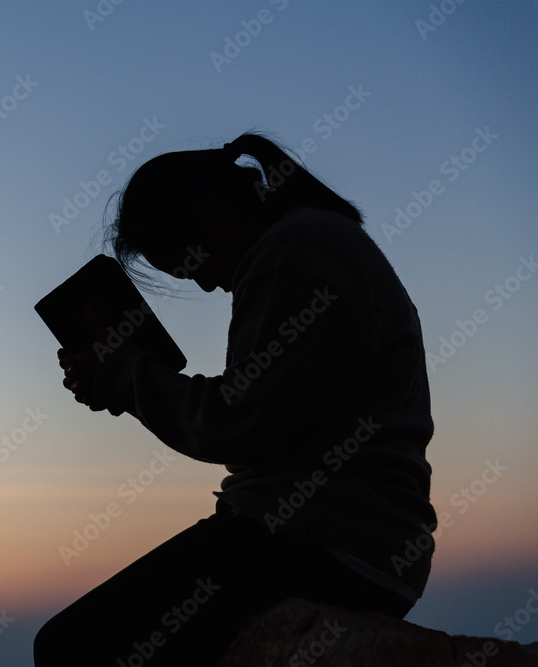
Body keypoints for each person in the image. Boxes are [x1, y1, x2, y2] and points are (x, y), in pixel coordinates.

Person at [33, 132, 438, 665]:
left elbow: (240, 422)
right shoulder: (310, 240)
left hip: (322, 540)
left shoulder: (293, 251)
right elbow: (259, 410)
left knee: (70, 648)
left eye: (189, 264)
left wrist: (130, 377)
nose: (203, 285)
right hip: (345, 539)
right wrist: (127, 381)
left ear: (215, 216)